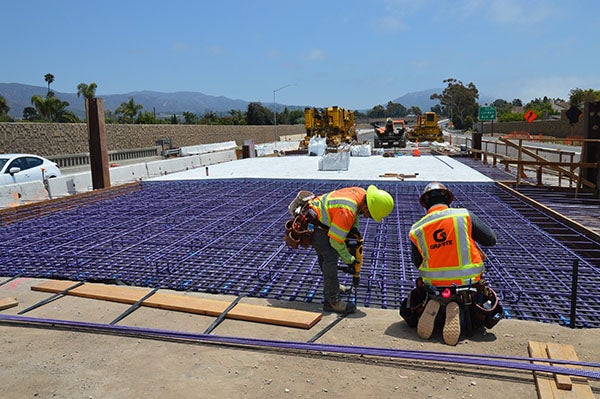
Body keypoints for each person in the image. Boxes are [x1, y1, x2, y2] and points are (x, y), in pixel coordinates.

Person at [407, 182, 497, 345]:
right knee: (484, 305)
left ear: (425, 204)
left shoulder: (417, 228)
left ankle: (437, 303)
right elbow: (491, 240)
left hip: (434, 286)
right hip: (469, 284)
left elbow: (416, 262)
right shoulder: (463, 215)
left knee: (421, 295)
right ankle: (457, 310)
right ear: (448, 199)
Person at [306, 185, 394, 315]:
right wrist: (349, 259)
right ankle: (332, 301)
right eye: (370, 214)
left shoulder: (362, 194)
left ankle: (333, 286)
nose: (368, 217)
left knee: (326, 257)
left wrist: (353, 230)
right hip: (314, 224)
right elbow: (335, 241)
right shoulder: (347, 210)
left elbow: (355, 214)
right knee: (330, 256)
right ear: (367, 206)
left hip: (320, 214)